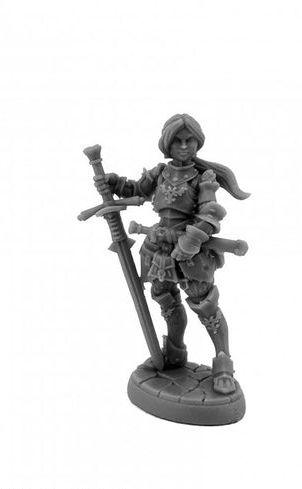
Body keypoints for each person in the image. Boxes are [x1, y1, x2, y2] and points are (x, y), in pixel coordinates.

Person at [94, 114, 249, 394]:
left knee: (206, 307)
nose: (184, 146)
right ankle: (175, 353)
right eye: (178, 141)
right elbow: (136, 190)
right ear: (167, 144)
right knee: (167, 303)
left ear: (198, 142)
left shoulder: (204, 177)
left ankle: (223, 364)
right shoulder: (160, 173)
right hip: (159, 251)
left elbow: (210, 213)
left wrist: (191, 240)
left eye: (190, 140)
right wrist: (111, 182)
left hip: (190, 255)